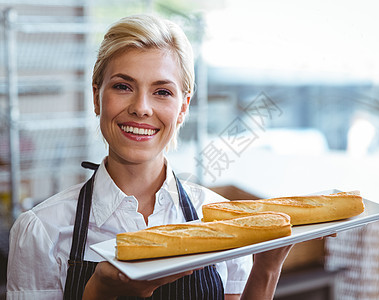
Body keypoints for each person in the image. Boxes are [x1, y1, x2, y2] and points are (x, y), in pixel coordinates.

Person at [7, 14, 294, 300]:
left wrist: (268, 267)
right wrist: (99, 292)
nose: (141, 108)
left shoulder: (218, 219)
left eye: (162, 91)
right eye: (123, 86)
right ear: (97, 97)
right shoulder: (42, 230)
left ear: (183, 108)